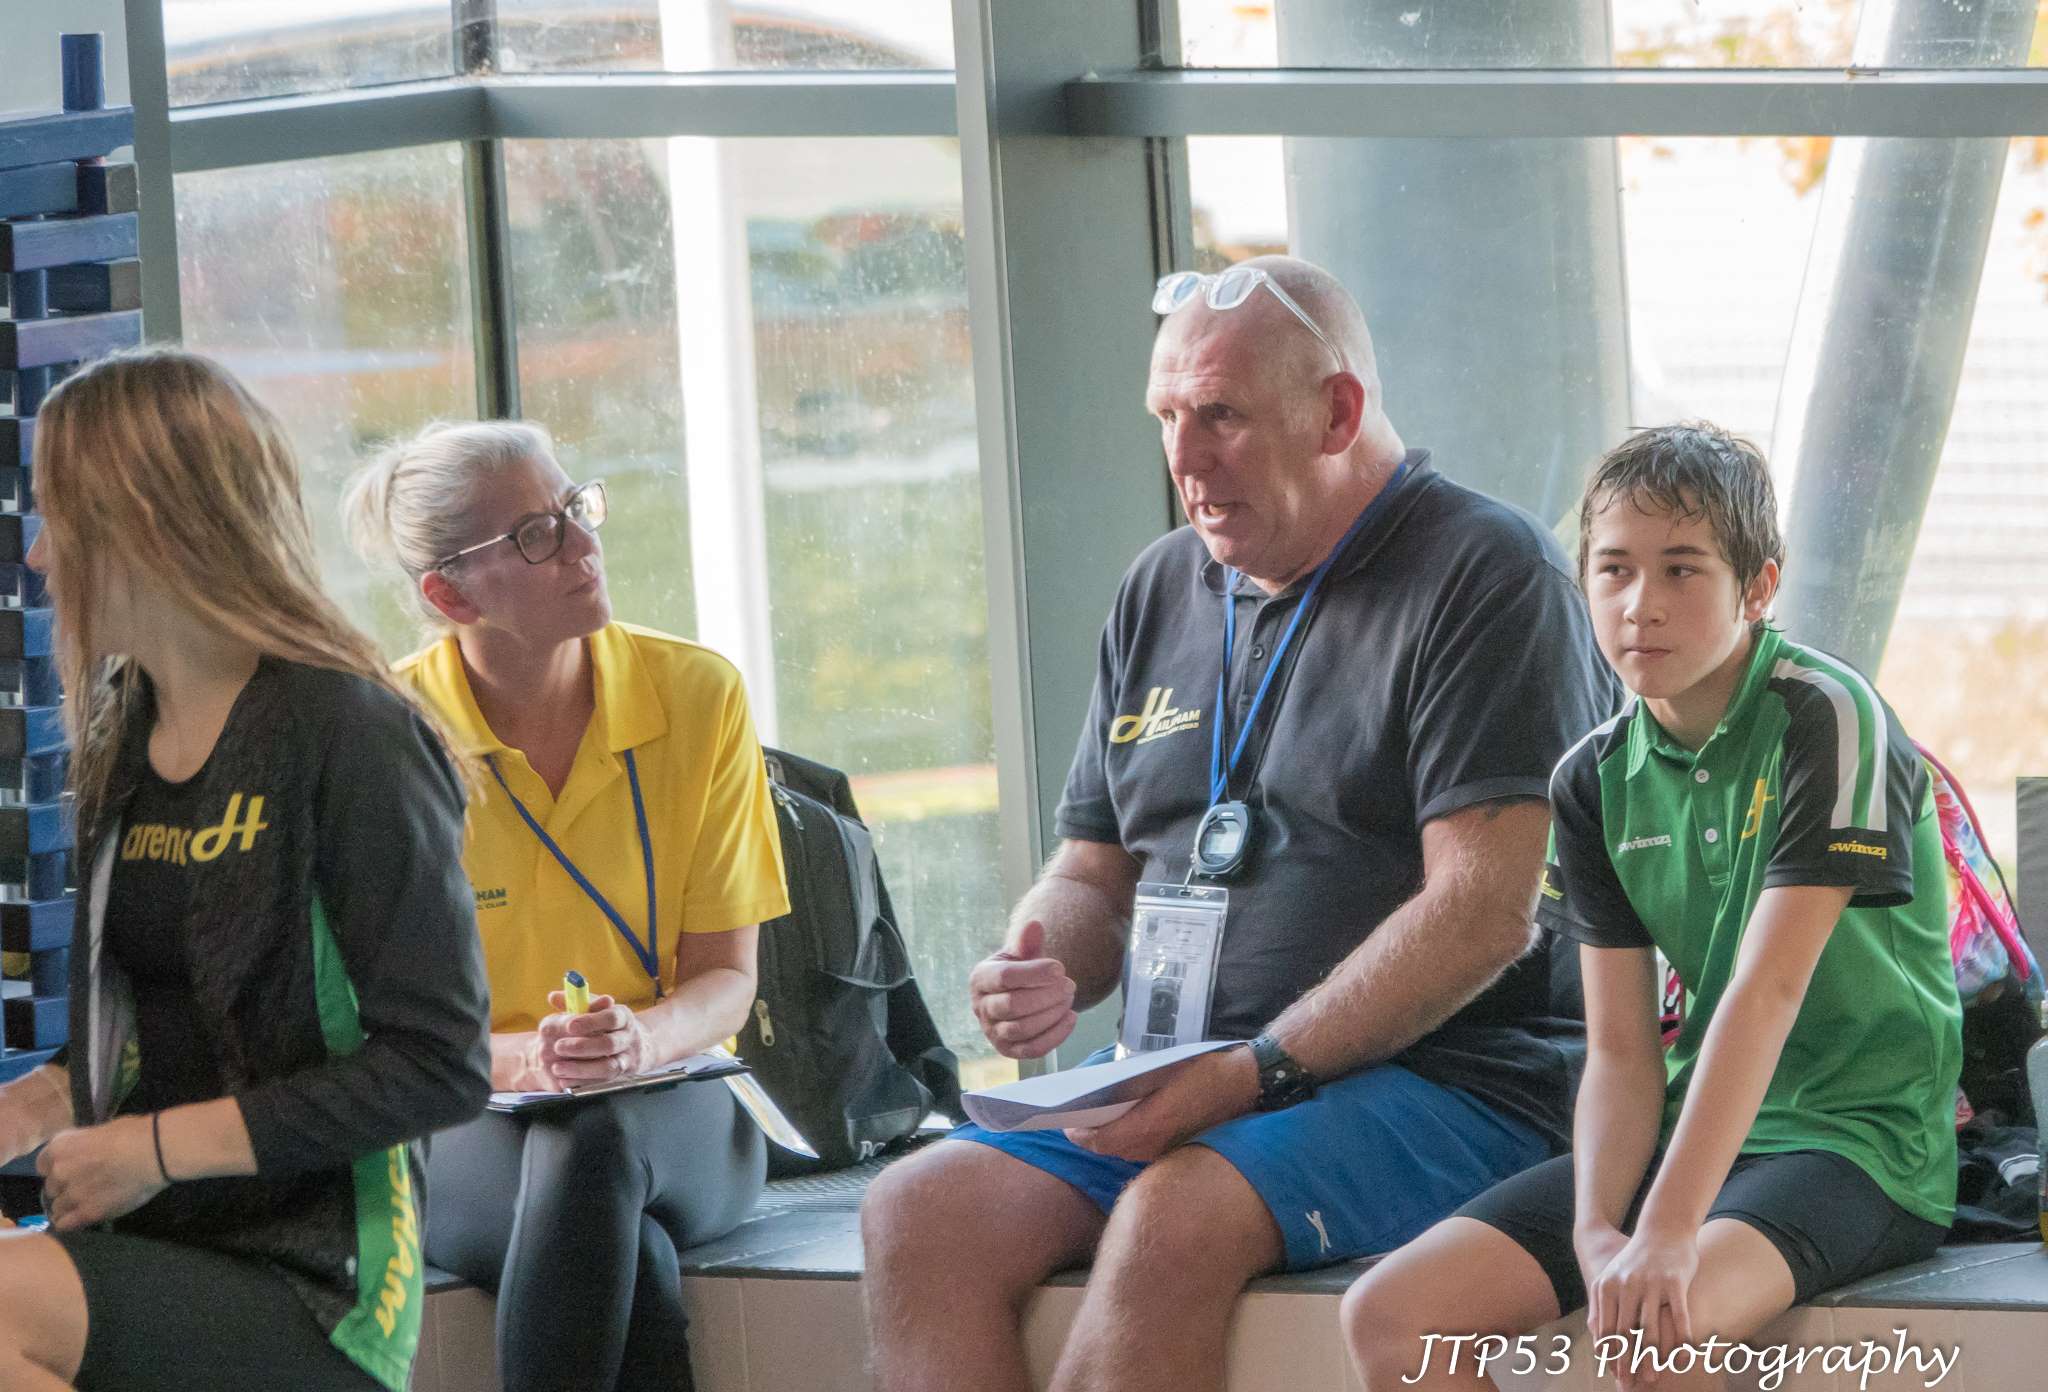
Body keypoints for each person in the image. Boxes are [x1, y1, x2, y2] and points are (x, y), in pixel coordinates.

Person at [860, 255, 1620, 1392]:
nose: (1185, 457)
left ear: (1338, 413)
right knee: (919, 1210)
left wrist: (1251, 1075)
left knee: (1175, 1215)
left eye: (1221, 414)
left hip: (1459, 1078)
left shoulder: (1486, 574)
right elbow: (1092, 871)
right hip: (1191, 1071)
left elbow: (1483, 912)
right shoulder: (1161, 585)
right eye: (1167, 417)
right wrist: (1040, 957)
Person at [1342, 424, 1962, 1391]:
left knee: (1653, 1332)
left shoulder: (1828, 716)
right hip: (1695, 1131)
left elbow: (1767, 993)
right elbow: (1623, 1052)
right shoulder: (1591, 778)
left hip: (1859, 1139)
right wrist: (1597, 1226)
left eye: (1682, 569)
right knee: (1391, 1316)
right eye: (1614, 570)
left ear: (1758, 586)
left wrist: (1667, 1231)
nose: (1641, 605)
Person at [0, 347, 493, 1392]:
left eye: (59, 517)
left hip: (321, 1280)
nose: (39, 556)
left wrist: (154, 1151)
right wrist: (33, 1108)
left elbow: (440, 1063)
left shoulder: (348, 732)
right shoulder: (122, 733)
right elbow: (152, 1030)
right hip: (157, 1244)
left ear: (148, 522)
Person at [345, 420, 790, 1392]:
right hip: (467, 1116)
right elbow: (383, 1028)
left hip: (677, 1104)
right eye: (537, 535)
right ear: (449, 595)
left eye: (574, 508)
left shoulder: (695, 693)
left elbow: (727, 977)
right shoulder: (388, 736)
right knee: (628, 1247)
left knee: (597, 1137)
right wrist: (532, 1059)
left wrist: (637, 1041)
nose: (584, 545)